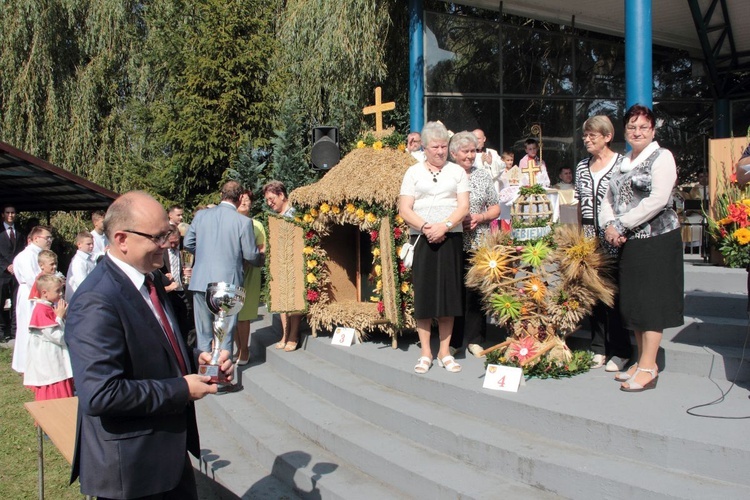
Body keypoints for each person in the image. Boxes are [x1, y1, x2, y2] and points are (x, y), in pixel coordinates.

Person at [65, 191, 233, 499]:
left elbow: (160, 344)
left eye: (168, 232)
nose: (168, 242)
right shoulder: (96, 301)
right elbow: (100, 394)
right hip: (132, 472)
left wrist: (198, 360)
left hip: (166, 457)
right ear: (122, 239)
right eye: (158, 236)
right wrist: (181, 389)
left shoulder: (150, 278)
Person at [600, 104, 683, 392]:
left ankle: (649, 365)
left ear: (653, 130)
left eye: (643, 127)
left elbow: (658, 199)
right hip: (629, 242)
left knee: (650, 303)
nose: (637, 132)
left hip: (656, 241)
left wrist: (621, 225)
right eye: (632, 127)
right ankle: (640, 360)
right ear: (625, 131)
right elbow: (608, 199)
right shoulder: (623, 160)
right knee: (634, 302)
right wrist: (610, 225)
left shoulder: (662, 157)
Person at [399, 121, 469, 374]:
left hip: (450, 237)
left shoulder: (457, 172)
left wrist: (446, 226)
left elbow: (463, 206)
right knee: (425, 296)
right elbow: (404, 208)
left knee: (450, 296)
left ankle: (445, 352)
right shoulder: (413, 172)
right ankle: (426, 352)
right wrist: (428, 227)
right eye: (435, 147)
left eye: (443, 146)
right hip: (422, 237)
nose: (440, 151)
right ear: (425, 148)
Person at [574, 115, 631, 371]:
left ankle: (620, 349)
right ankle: (598, 347)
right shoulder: (581, 167)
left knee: (614, 295)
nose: (587, 139)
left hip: (614, 238)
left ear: (607, 137)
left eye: (592, 136)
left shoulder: (623, 164)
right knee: (594, 295)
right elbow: (579, 205)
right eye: (585, 135)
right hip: (588, 238)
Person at [184, 181, 264, 357]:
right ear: (240, 198)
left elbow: (187, 243)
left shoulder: (201, 216)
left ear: (221, 195)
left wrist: (205, 254)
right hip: (228, 284)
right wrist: (261, 258)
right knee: (224, 336)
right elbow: (251, 254)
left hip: (200, 282)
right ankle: (222, 381)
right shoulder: (243, 222)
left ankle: (205, 378)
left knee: (203, 336)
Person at [447, 132, 500, 357]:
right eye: (465, 151)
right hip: (453, 242)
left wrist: (480, 217)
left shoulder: (482, 176)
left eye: (473, 151)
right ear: (453, 153)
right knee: (454, 292)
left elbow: (496, 207)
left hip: (479, 242)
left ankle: (476, 338)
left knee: (477, 292)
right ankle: (454, 339)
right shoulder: (447, 176)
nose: (470, 156)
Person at [263, 180, 303, 352]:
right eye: (267, 201)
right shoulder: (275, 217)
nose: (269, 203)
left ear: (281, 195)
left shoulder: (294, 214)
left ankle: (294, 334)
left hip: (293, 262)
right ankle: (284, 334)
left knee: (293, 301)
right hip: (279, 262)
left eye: (271, 199)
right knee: (281, 300)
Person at [23, 273, 74, 401]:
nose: (61, 294)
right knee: (55, 393)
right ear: (45, 293)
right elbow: (58, 337)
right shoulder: (41, 310)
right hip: (49, 362)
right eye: (57, 291)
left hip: (54, 358)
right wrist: (60, 317)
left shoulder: (48, 307)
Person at [12, 226, 53, 373]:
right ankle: (25, 364)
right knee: (28, 328)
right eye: (47, 238)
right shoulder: (27, 256)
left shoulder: (40, 254)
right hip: (30, 294)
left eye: (50, 238)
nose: (49, 240)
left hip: (37, 294)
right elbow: (32, 279)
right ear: (36, 238)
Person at [235, 190, 266, 364]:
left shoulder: (256, 225)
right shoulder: (229, 222)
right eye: (242, 200)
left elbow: (262, 250)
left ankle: (244, 350)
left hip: (250, 272)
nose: (245, 202)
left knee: (244, 314)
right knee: (231, 311)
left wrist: (251, 259)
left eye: (248, 200)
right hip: (232, 271)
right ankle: (237, 348)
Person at [158, 228, 194, 346]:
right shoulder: (161, 249)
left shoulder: (188, 247)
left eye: (176, 242)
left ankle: (190, 351)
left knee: (189, 324)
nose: (173, 245)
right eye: (171, 242)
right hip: (169, 293)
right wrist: (164, 276)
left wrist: (193, 271)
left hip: (186, 291)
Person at [0, 205, 24, 341]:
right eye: (8, 213)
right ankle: (2, 331)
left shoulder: (20, 232)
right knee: (1, 301)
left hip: (16, 273)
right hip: (2, 273)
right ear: (3, 214)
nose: (10, 215)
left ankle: (15, 330)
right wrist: (6, 266)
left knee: (17, 302)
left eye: (13, 213)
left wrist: (16, 266)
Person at [65, 231, 96, 301]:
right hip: (78, 300)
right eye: (88, 244)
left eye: (92, 243)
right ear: (79, 244)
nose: (91, 246)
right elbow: (81, 283)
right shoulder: (78, 262)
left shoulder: (89, 259)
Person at [472, 129, 503, 195]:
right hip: (478, 191)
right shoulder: (470, 155)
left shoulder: (493, 153)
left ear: (484, 139)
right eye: (473, 139)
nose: (476, 141)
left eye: (478, 138)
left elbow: (502, 168)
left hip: (493, 189)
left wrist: (491, 163)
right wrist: (481, 163)